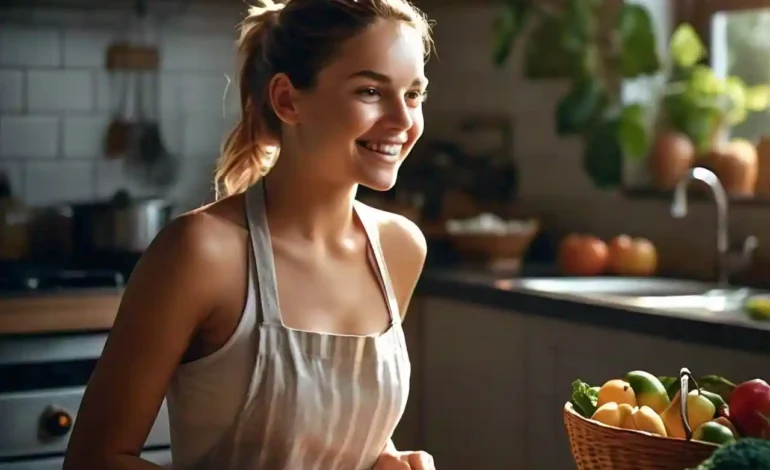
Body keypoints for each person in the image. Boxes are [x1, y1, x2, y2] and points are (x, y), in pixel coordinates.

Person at [63, 0, 435, 469]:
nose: (403, 122)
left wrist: (388, 461)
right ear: (287, 100)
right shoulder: (200, 252)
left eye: (414, 95)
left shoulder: (399, 248)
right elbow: (93, 460)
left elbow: (331, 430)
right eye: (370, 91)